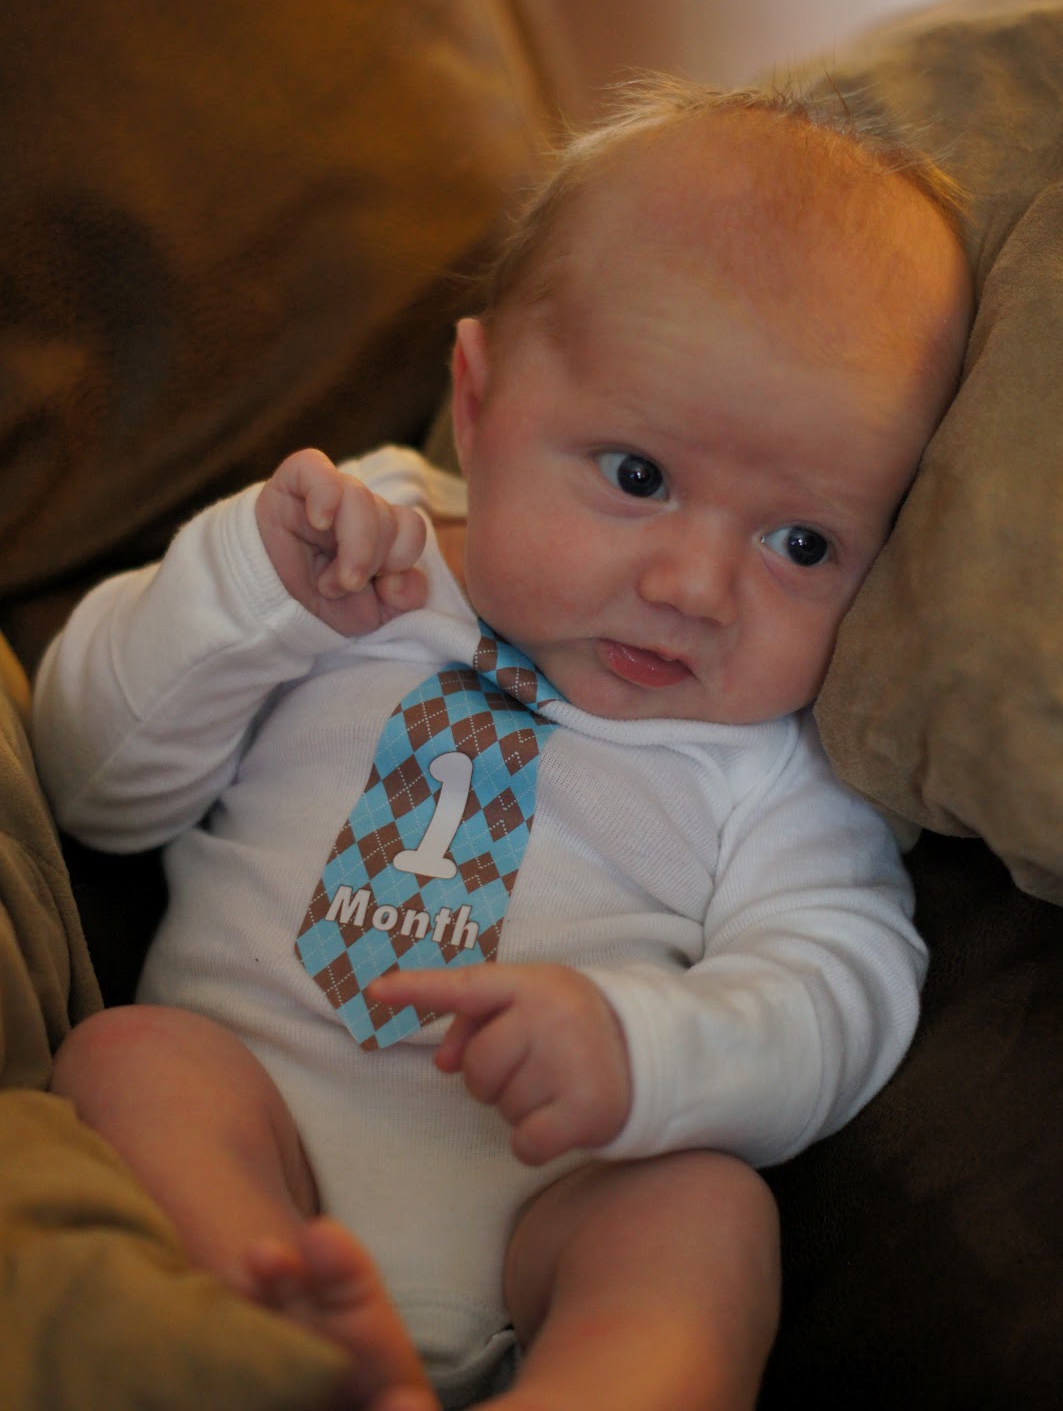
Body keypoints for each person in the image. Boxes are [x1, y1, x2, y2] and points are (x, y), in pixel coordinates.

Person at [33, 79, 972, 1411]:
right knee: (130, 1062)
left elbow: (845, 991)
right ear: (478, 405)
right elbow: (88, 784)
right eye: (638, 476)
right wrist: (243, 591)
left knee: (703, 1214)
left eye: (802, 543)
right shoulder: (346, 551)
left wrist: (649, 1048)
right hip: (254, 1137)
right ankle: (277, 1350)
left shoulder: (772, 758)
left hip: (550, 1215)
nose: (696, 588)